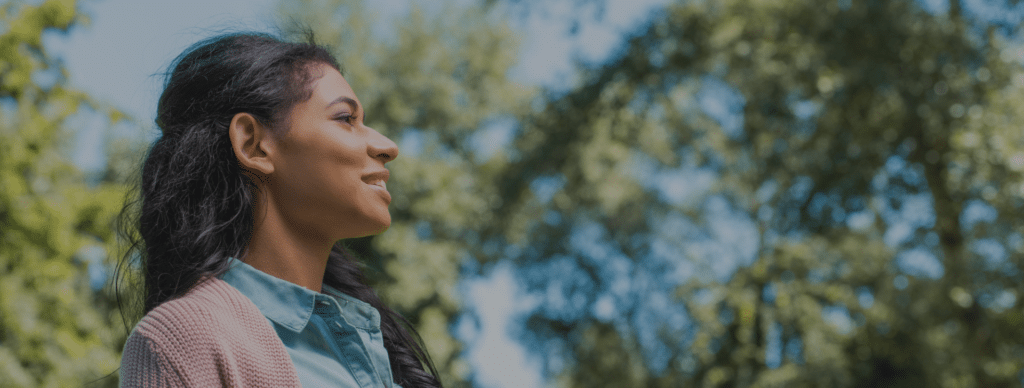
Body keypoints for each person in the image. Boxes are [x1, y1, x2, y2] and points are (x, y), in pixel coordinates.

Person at [116, 32, 442, 388]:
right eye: (346, 118)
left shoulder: (372, 340)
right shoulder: (183, 341)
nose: (387, 146)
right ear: (254, 144)